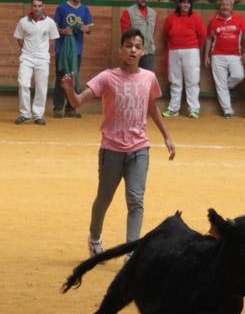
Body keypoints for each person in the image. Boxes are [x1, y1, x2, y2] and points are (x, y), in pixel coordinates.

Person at [60, 29, 176, 258]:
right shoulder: (107, 77)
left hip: (139, 149)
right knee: (104, 198)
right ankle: (94, 238)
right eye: (129, 45)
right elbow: (77, 101)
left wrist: (166, 135)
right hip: (111, 150)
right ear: (121, 50)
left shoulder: (148, 78)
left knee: (135, 200)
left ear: (143, 51)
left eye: (137, 46)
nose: (133, 49)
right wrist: (70, 91)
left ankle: (130, 251)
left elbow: (152, 107)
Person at [14, 0, 59, 125]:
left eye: (39, 6)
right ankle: (25, 113)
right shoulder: (23, 21)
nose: (37, 8)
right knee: (23, 83)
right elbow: (19, 37)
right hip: (26, 57)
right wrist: (25, 50)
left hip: (43, 58)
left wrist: (44, 53)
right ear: (31, 6)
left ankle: (38, 114)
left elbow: (52, 41)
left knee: (41, 86)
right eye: (35, 6)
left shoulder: (50, 23)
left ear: (43, 7)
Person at [160, 0, 206, 119]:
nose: (185, 5)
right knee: (175, 81)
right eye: (183, 3)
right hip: (174, 50)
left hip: (191, 50)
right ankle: (173, 109)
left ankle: (194, 109)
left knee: (192, 81)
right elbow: (165, 34)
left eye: (188, 3)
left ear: (191, 5)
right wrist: (174, 45)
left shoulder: (196, 18)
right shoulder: (171, 18)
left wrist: (193, 46)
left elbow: (202, 35)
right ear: (179, 4)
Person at [54, 0, 93, 119]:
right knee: (61, 78)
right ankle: (58, 108)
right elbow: (54, 28)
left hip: (77, 49)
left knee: (74, 78)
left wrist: (83, 28)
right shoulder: (62, 8)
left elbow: (89, 29)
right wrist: (64, 31)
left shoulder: (84, 9)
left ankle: (71, 108)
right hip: (62, 49)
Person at [205, 0, 245, 118]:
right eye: (223, 5)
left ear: (232, 7)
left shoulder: (240, 20)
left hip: (235, 55)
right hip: (217, 55)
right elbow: (209, 39)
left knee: (239, 75)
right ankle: (227, 110)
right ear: (220, 6)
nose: (225, 7)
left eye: (227, 5)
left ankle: (227, 86)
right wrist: (206, 56)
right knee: (220, 84)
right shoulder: (213, 21)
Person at [119, 0, 157, 72]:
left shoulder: (153, 13)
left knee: (147, 77)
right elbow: (125, 33)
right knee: (131, 75)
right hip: (133, 51)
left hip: (148, 51)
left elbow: (153, 31)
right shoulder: (128, 12)